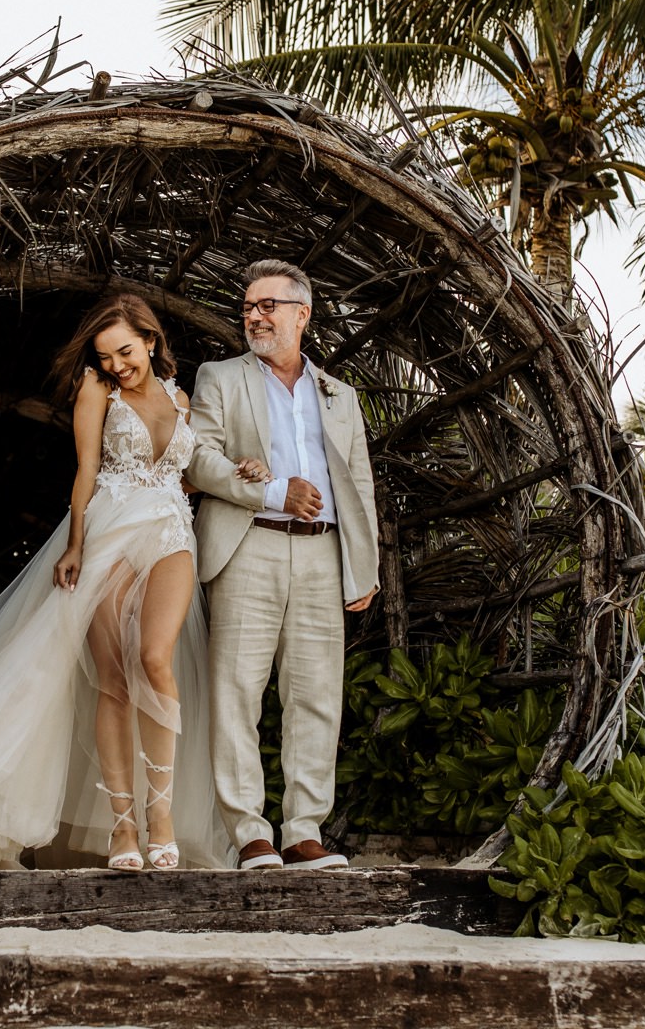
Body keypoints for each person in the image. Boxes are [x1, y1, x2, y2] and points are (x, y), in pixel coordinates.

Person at [0, 294, 255, 870]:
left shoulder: (181, 397)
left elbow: (182, 476)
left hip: (172, 533)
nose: (118, 364)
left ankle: (161, 817)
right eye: (107, 356)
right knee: (114, 678)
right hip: (110, 532)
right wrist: (75, 546)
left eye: (126, 351)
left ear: (150, 340)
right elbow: (88, 469)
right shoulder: (100, 391)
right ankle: (124, 829)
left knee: (154, 660)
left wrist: (243, 470)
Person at [186, 260, 380, 870]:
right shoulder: (219, 377)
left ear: (303, 313)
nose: (254, 316)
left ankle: (302, 830)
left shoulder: (340, 395)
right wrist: (273, 493)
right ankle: (250, 834)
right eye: (248, 307)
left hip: (323, 552)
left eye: (267, 305)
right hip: (249, 542)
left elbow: (360, 487)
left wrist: (364, 567)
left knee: (317, 693)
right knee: (237, 692)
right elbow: (198, 460)